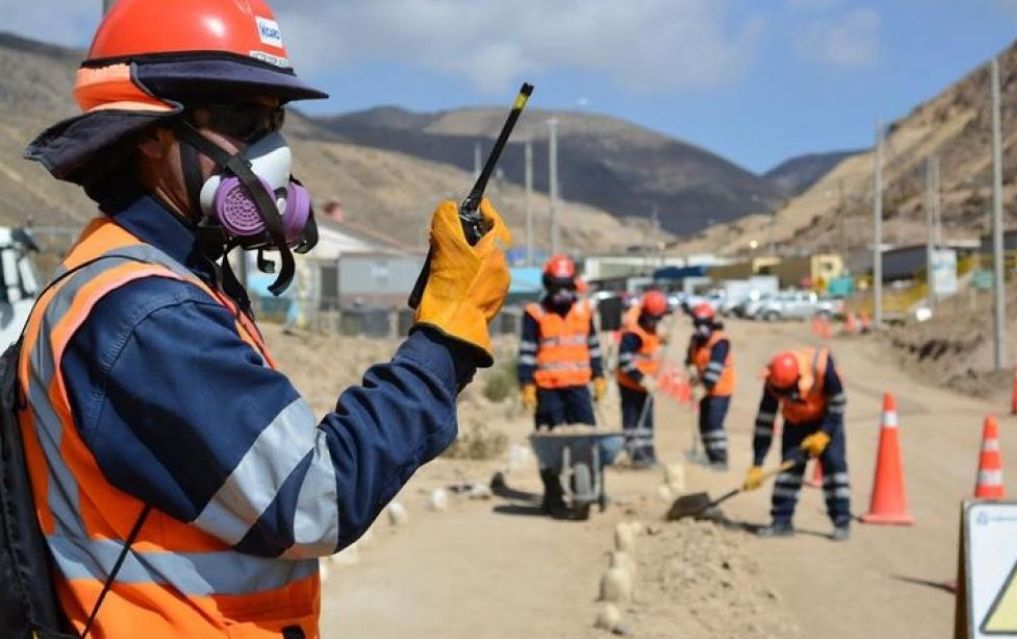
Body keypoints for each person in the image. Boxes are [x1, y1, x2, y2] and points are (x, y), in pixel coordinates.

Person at [18, 1, 511, 636]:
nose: (270, 151)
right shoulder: (143, 313)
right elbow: (316, 499)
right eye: (239, 120)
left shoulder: (172, 279)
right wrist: (447, 333)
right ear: (148, 138)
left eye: (273, 120)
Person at [517, 255, 605, 514]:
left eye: (567, 285)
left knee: (586, 443)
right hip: (548, 390)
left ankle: (585, 490)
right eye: (557, 286)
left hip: (579, 390)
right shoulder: (536, 314)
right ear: (548, 284)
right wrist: (526, 384)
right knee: (549, 447)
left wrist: (599, 376)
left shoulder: (584, 311)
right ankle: (553, 495)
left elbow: (593, 347)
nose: (563, 292)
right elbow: (527, 352)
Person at [743, 347, 850, 541]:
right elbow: (764, 422)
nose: (784, 397)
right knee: (789, 470)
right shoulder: (772, 380)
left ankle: (841, 521)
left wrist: (823, 434)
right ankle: (782, 522)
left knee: (835, 468)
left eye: (788, 393)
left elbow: (839, 402)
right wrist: (757, 464)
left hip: (827, 419)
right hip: (795, 422)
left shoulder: (822, 366)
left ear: (798, 379)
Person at [616, 290, 667, 466]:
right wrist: (642, 379)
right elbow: (624, 360)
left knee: (646, 420)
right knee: (633, 419)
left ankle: (647, 454)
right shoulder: (633, 332)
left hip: (646, 385)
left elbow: (650, 351)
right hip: (631, 382)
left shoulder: (650, 327)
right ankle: (634, 455)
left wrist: (662, 339)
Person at [685, 303, 734, 469]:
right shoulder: (695, 340)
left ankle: (720, 458)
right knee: (704, 423)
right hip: (704, 389)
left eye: (702, 324)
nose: (699, 328)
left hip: (720, 390)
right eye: (697, 324)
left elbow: (715, 368)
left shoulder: (720, 342)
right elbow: (690, 359)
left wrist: (703, 388)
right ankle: (710, 455)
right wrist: (690, 368)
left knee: (714, 423)